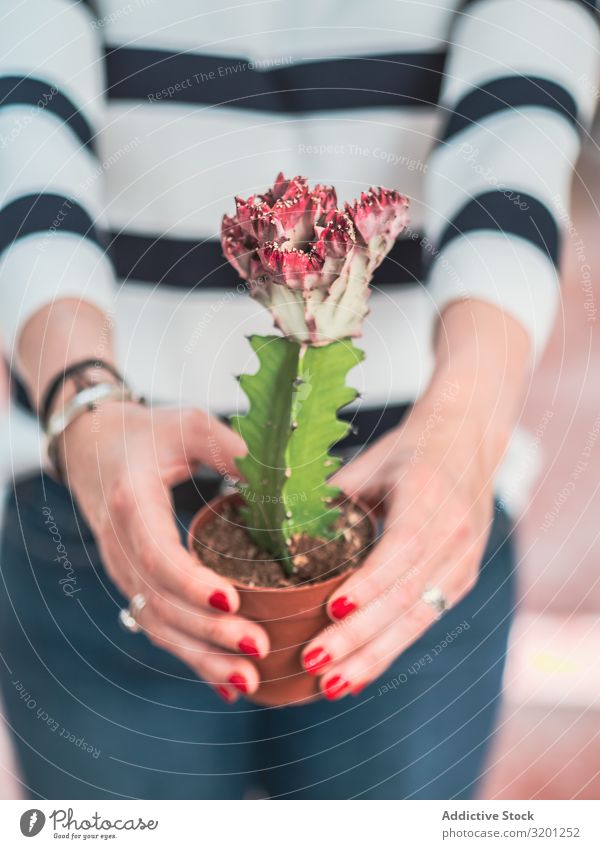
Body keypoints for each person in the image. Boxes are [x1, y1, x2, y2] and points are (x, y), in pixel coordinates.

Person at [0, 0, 597, 800]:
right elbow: (21, 119)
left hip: (415, 510)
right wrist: (82, 401)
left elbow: (517, 126)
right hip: (91, 488)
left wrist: (467, 428)